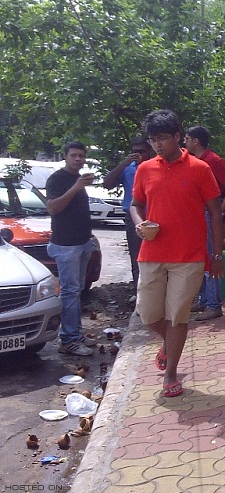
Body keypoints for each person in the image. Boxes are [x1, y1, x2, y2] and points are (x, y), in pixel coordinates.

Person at [130, 109, 224, 398]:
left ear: (177, 136)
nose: (158, 144)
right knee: (147, 315)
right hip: (152, 251)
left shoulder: (199, 168)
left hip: (190, 255)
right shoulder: (146, 169)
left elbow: (215, 212)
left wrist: (217, 254)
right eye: (153, 139)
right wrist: (139, 224)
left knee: (177, 318)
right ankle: (168, 344)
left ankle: (170, 374)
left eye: (162, 138)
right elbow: (135, 204)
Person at [46, 141, 99, 356]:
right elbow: (53, 208)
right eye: (74, 155)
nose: (78, 159)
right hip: (66, 246)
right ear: (65, 156)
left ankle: (75, 334)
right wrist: (76, 187)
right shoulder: (57, 179)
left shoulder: (78, 179)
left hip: (82, 243)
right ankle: (68, 340)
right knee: (69, 293)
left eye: (81, 156)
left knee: (76, 292)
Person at [185, 126, 225, 321]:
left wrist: (221, 210)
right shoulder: (197, 161)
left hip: (209, 216)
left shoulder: (212, 160)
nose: (185, 142)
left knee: (211, 258)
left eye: (187, 139)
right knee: (201, 258)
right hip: (200, 216)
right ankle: (204, 299)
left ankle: (213, 304)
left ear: (196, 141)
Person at [102, 136, 154, 286]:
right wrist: (124, 163)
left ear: (149, 151)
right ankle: (139, 295)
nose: (138, 154)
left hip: (155, 215)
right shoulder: (128, 168)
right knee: (137, 256)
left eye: (142, 151)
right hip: (133, 217)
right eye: (134, 151)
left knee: (157, 258)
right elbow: (107, 184)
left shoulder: (155, 167)